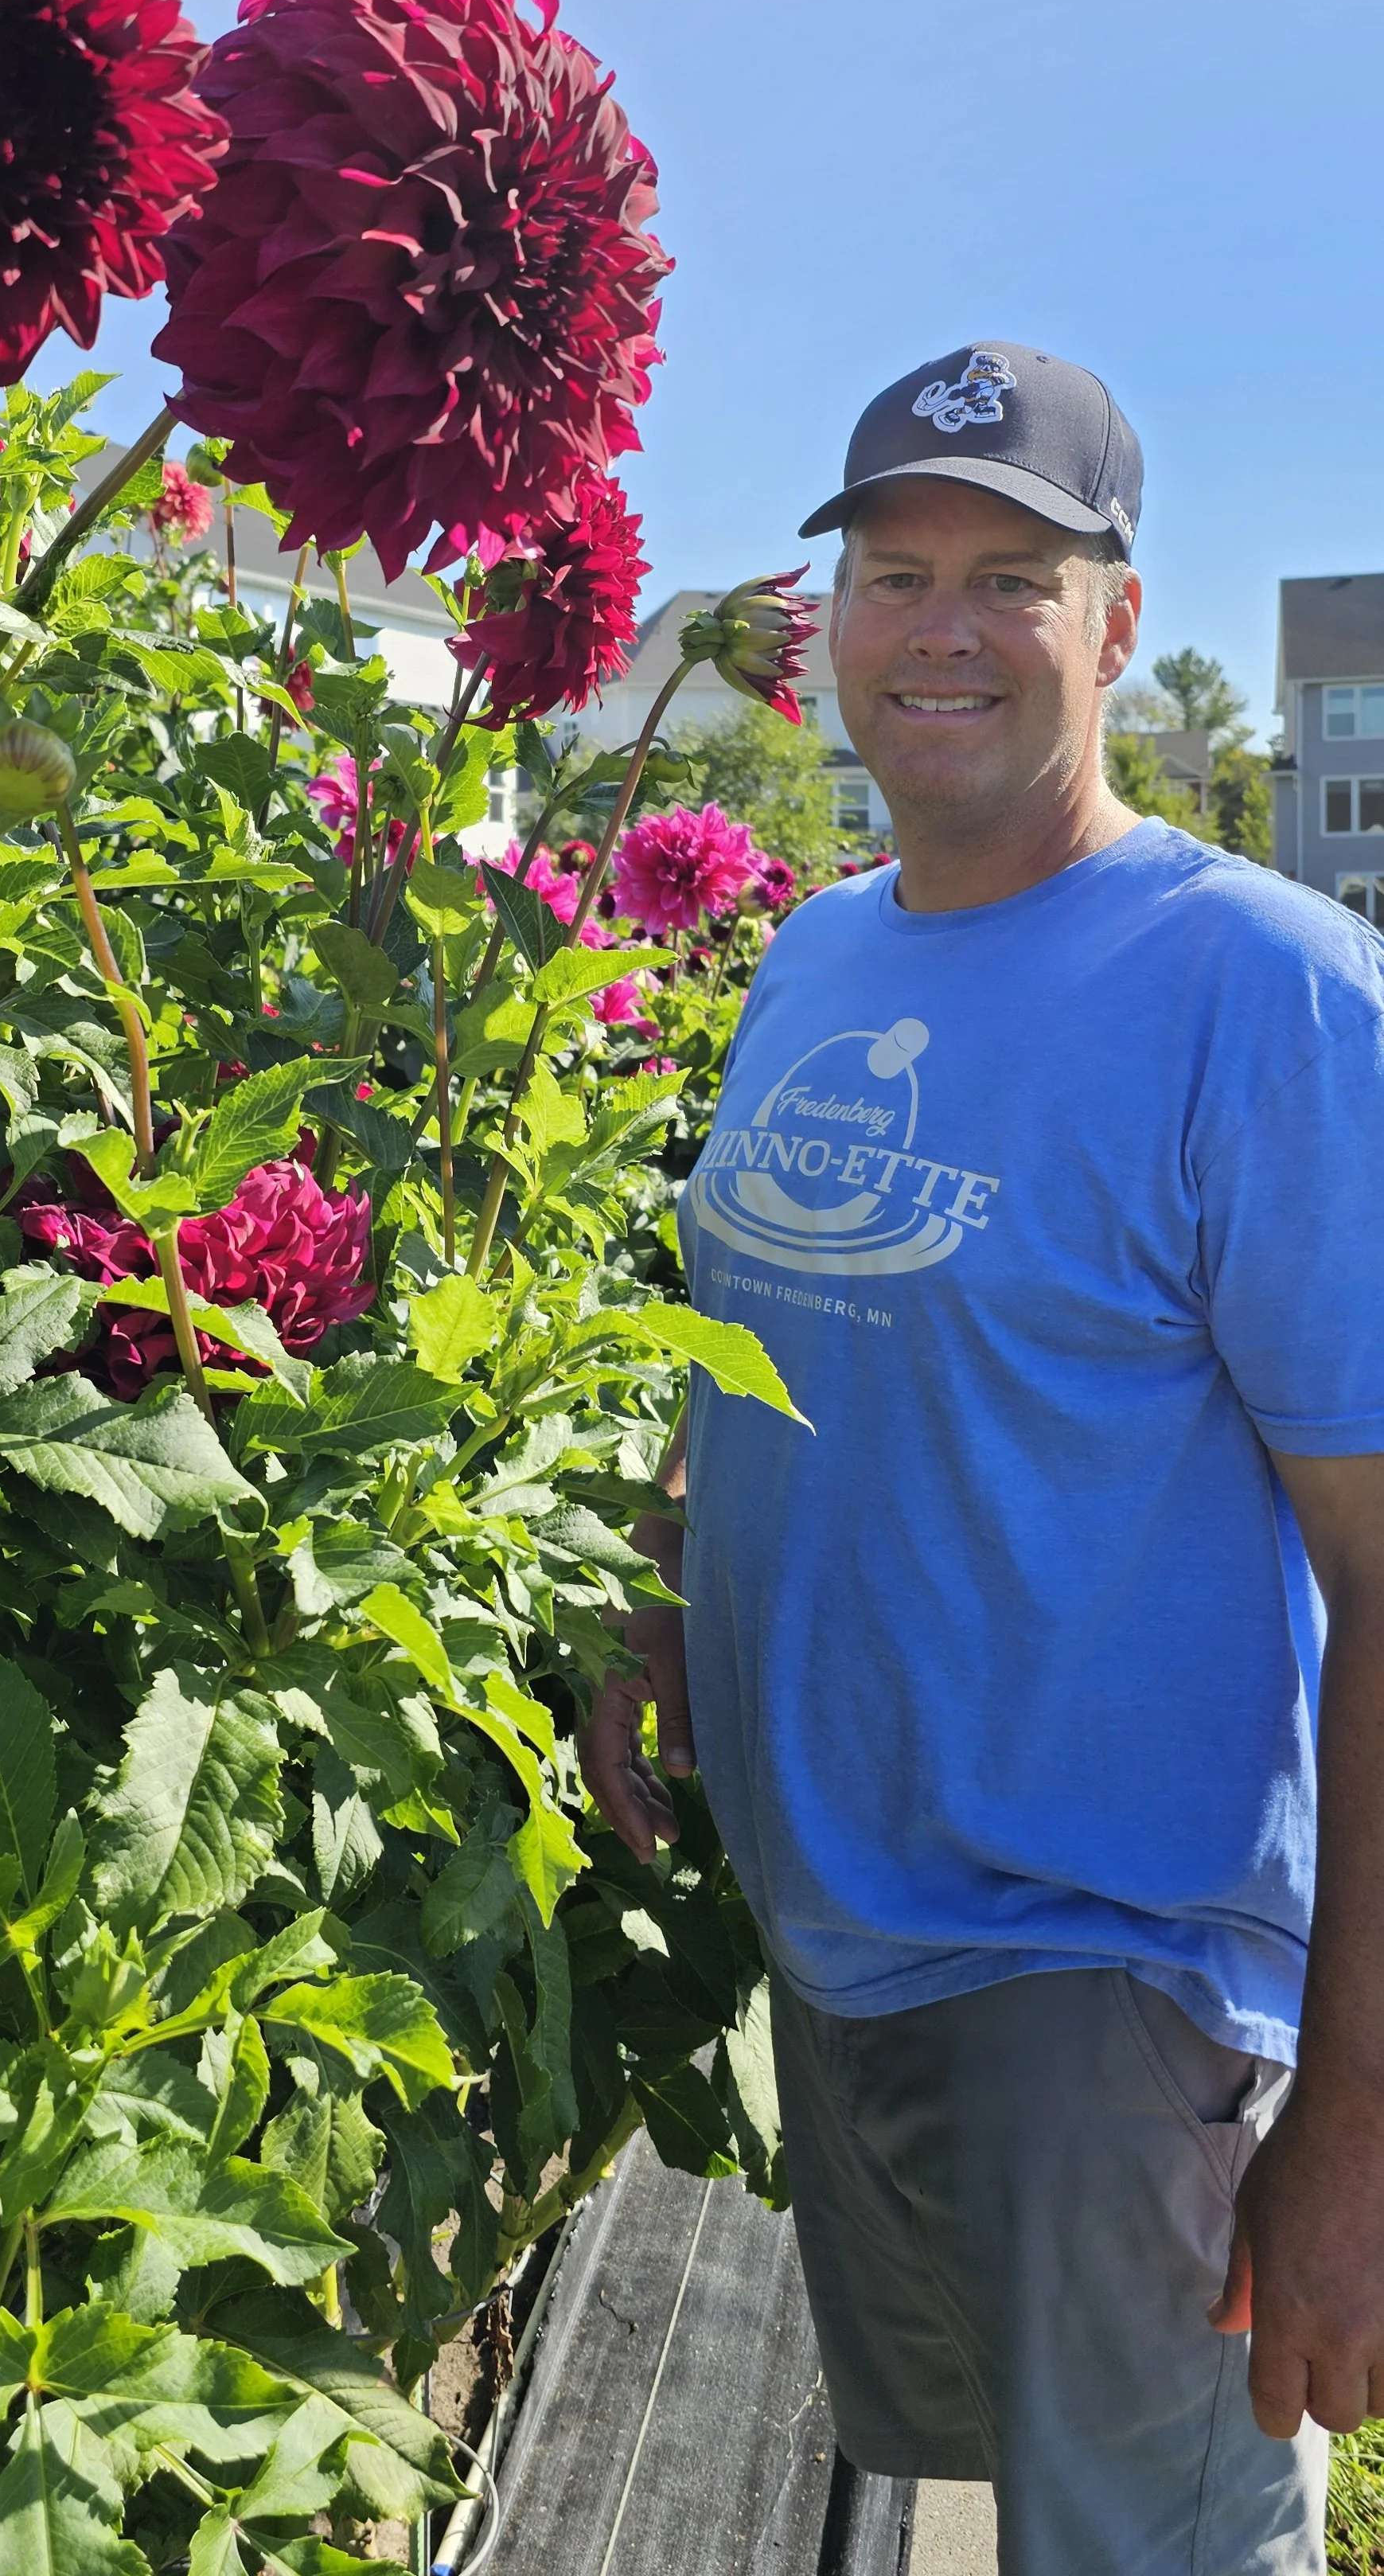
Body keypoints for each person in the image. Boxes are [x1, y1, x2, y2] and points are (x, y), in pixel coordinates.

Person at [581, 342, 1384, 2576]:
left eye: (1010, 579)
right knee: (994, 2501)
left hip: (1105, 1991)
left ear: (1115, 626)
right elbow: (743, 1322)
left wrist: (1352, 2139)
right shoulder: (816, 956)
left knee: (1153, 2543)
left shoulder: (1270, 997)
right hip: (840, 1934)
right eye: (894, 570)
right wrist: (656, 1580)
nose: (937, 628)